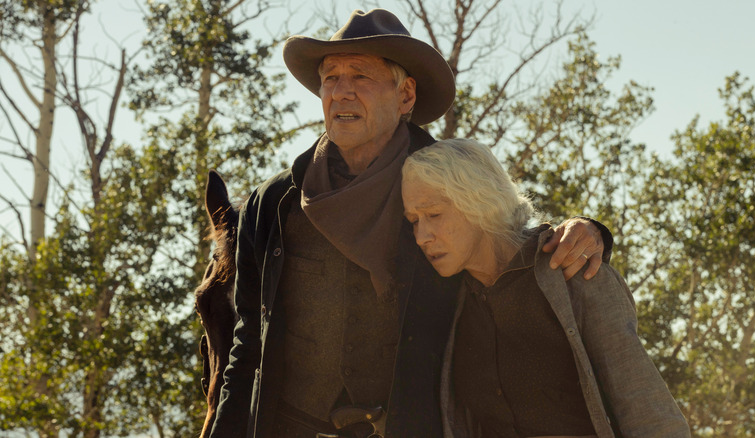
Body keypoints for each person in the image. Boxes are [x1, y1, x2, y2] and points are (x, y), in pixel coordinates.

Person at [210, 9, 612, 438]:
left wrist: (591, 230)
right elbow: (247, 342)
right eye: (330, 78)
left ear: (405, 97)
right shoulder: (273, 202)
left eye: (360, 76)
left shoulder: (444, 191)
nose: (341, 92)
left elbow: (510, 241)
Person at [400, 138, 690, 438]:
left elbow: (647, 409)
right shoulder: (445, 298)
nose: (421, 236)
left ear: (478, 200)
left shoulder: (573, 271)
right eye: (413, 220)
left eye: (433, 214)